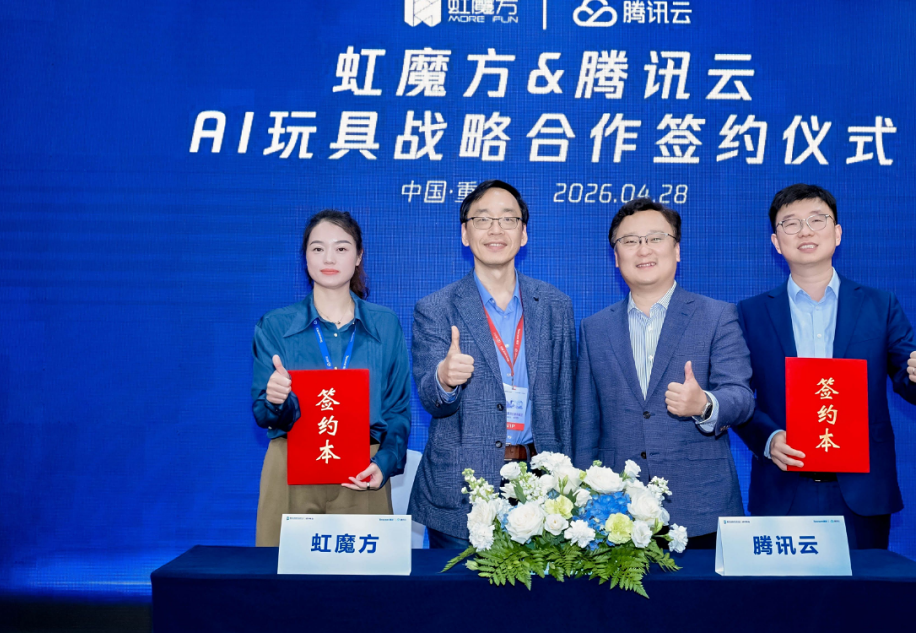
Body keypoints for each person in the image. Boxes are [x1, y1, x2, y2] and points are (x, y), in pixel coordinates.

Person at [734, 183, 916, 549]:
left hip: (863, 490)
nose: (805, 231)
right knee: (785, 589)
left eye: (817, 220)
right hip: (783, 486)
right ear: (776, 242)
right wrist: (769, 439)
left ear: (837, 233)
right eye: (791, 223)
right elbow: (737, 396)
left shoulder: (879, 305)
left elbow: (909, 379)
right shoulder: (750, 313)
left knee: (864, 587)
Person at [573, 198, 754, 549]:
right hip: (616, 514)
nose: (643, 249)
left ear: (677, 250)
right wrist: (583, 502)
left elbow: (741, 397)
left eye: (656, 238)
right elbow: (586, 425)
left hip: (701, 510)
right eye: (629, 241)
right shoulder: (594, 328)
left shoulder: (717, 316)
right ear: (616, 256)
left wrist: (704, 404)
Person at [409, 180, 575, 549]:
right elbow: (431, 397)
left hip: (539, 485)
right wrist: (444, 379)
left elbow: (566, 402)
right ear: (465, 234)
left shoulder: (555, 306)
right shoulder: (436, 308)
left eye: (508, 219)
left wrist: (567, 483)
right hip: (461, 488)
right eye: (482, 219)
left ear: (523, 233)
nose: (496, 230)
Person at [251, 210, 411, 547]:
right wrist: (276, 399)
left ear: (358, 256)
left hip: (363, 470)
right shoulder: (275, 325)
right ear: (305, 257)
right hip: (291, 467)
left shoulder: (385, 324)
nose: (328, 258)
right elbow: (264, 413)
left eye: (341, 248)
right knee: (281, 575)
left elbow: (397, 411)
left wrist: (383, 464)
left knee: (363, 577)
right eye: (317, 248)